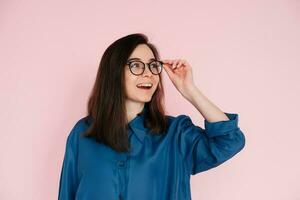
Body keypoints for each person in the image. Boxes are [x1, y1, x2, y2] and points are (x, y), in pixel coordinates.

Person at [57, 33, 246, 200]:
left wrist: (189, 90)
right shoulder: (82, 133)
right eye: (136, 65)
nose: (148, 74)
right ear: (114, 72)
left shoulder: (176, 135)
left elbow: (229, 140)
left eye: (153, 66)